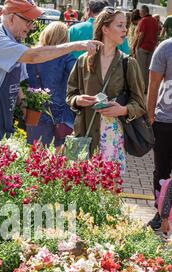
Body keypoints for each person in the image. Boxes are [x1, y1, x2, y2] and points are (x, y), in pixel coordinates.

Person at [0, 0, 102, 142]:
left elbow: (16, 83)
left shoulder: (14, 40)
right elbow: (34, 56)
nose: (31, 27)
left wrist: (25, 108)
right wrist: (75, 46)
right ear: (11, 18)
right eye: (28, 21)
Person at [66, 8, 146, 172]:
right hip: (85, 137)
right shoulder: (83, 61)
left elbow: (139, 104)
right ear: (105, 29)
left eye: (126, 25)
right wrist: (78, 100)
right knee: (83, 192)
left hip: (113, 140)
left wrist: (123, 110)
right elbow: (70, 95)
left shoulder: (128, 63)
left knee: (108, 194)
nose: (125, 29)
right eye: (120, 25)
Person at [26, 21, 75, 151]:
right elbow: (79, 76)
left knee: (35, 155)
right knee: (55, 157)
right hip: (57, 113)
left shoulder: (32, 54)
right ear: (64, 38)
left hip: (33, 111)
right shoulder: (66, 57)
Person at [147, 37, 172, 231]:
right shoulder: (165, 47)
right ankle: (160, 212)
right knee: (162, 171)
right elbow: (153, 84)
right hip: (164, 122)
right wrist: (150, 117)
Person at [133, 5, 158, 93]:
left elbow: (141, 34)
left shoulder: (143, 20)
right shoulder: (154, 20)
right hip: (152, 47)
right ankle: (147, 88)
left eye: (140, 11)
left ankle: (142, 88)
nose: (139, 13)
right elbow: (156, 33)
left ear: (144, 12)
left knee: (141, 69)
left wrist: (137, 46)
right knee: (149, 69)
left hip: (143, 47)